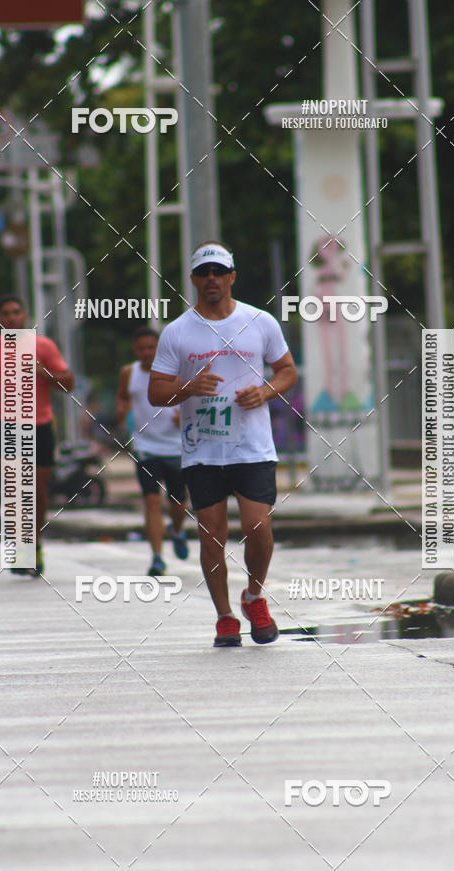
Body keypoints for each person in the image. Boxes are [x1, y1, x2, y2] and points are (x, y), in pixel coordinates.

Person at [148, 241, 298, 647]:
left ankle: (253, 596)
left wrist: (265, 392)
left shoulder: (260, 321)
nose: (211, 279)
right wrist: (188, 387)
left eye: (219, 271)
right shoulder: (177, 332)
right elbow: (156, 391)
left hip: (252, 446)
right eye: (203, 273)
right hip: (203, 450)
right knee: (211, 535)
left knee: (257, 528)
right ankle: (225, 616)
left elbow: (286, 371)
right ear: (194, 280)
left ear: (231, 276)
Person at [0, 295, 75, 577]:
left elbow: (68, 383)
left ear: (25, 316)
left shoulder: (43, 346)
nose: (11, 318)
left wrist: (43, 372)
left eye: (16, 312)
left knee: (36, 491)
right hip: (5, 423)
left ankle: (35, 545)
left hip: (40, 424)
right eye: (5, 313)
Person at [116, 326, 188, 576]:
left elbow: (191, 398)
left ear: (160, 348)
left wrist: (185, 418)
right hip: (145, 446)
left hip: (177, 446)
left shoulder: (176, 371)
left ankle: (177, 530)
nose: (147, 353)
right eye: (142, 348)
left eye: (151, 347)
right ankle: (157, 557)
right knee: (151, 500)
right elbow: (123, 398)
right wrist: (122, 412)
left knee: (178, 503)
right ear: (135, 350)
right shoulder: (128, 373)